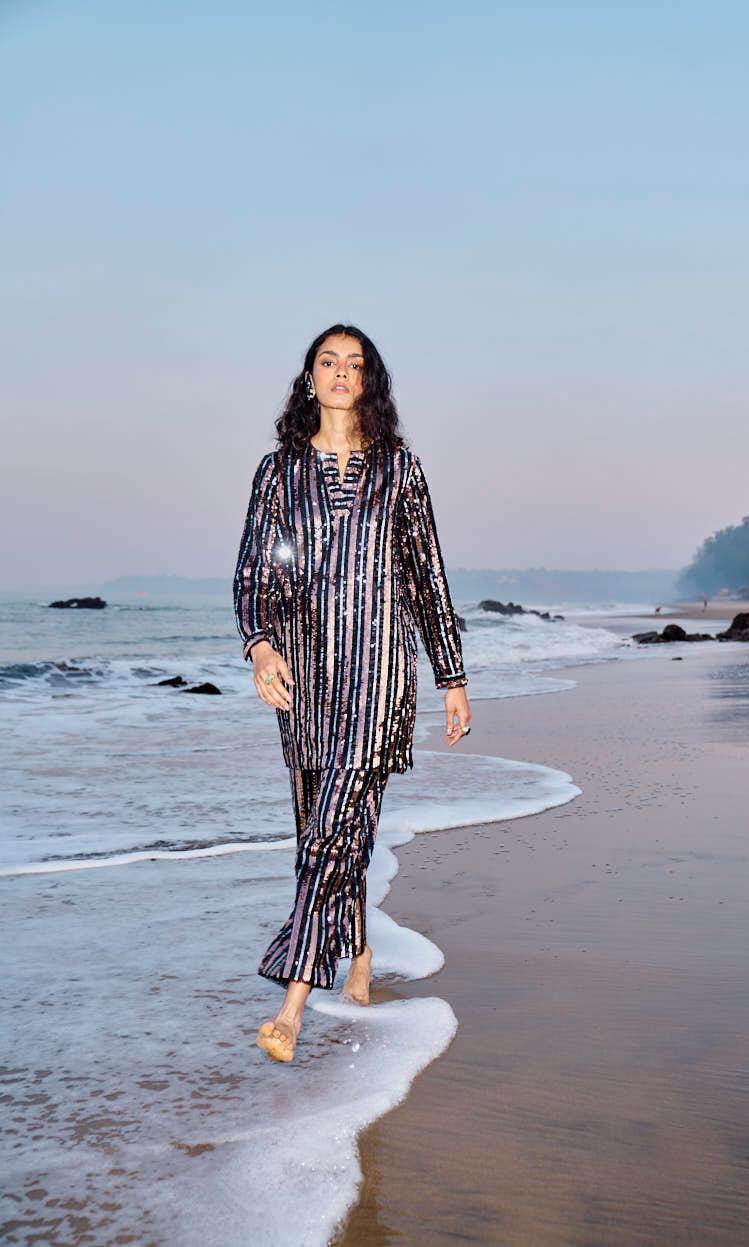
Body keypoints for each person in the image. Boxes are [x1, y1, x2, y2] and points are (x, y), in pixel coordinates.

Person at [232, 323, 473, 1062]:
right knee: (327, 831)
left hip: (381, 676)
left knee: (330, 832)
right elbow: (253, 573)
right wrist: (261, 646)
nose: (341, 372)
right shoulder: (277, 473)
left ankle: (292, 1006)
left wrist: (452, 678)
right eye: (328, 361)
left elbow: (428, 578)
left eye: (355, 363)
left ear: (370, 380)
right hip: (304, 681)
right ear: (309, 378)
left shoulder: (400, 469)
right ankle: (359, 954)